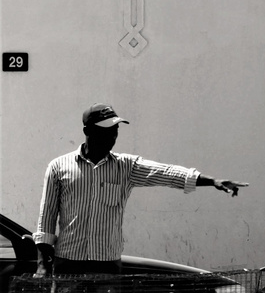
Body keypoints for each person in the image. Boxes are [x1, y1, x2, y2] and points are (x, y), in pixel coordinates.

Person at [34, 103, 246, 275]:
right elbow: (47, 218)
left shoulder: (126, 167)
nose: (112, 137)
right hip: (69, 263)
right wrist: (43, 264)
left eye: (115, 131)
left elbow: (167, 173)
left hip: (107, 263)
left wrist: (213, 181)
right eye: (106, 131)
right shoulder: (58, 167)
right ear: (87, 131)